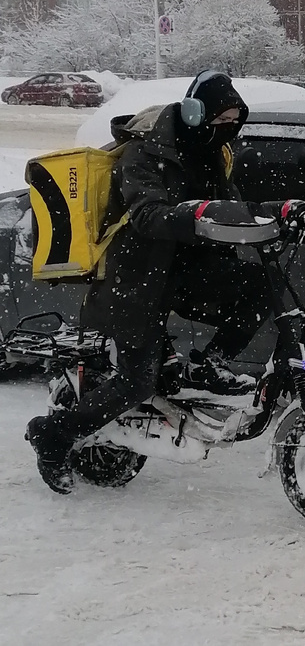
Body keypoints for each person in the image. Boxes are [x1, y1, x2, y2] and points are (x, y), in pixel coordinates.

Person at [25, 71, 275, 494]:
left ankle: (204, 365)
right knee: (137, 380)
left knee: (256, 288)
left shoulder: (212, 152)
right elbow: (147, 216)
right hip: (134, 279)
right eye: (220, 121)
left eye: (235, 122)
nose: (227, 130)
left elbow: (229, 206)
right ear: (195, 114)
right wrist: (196, 214)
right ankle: (54, 434)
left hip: (181, 273)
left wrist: (276, 213)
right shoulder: (142, 155)